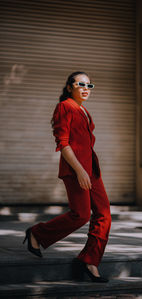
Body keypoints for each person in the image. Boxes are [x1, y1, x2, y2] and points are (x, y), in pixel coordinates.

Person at [23, 71, 112, 283]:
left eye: (89, 86)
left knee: (104, 215)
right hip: (76, 170)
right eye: (81, 84)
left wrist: (88, 169)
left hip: (92, 170)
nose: (86, 88)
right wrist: (80, 170)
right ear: (70, 86)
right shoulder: (65, 106)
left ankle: (90, 260)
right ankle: (37, 233)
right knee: (80, 215)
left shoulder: (83, 110)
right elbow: (63, 143)